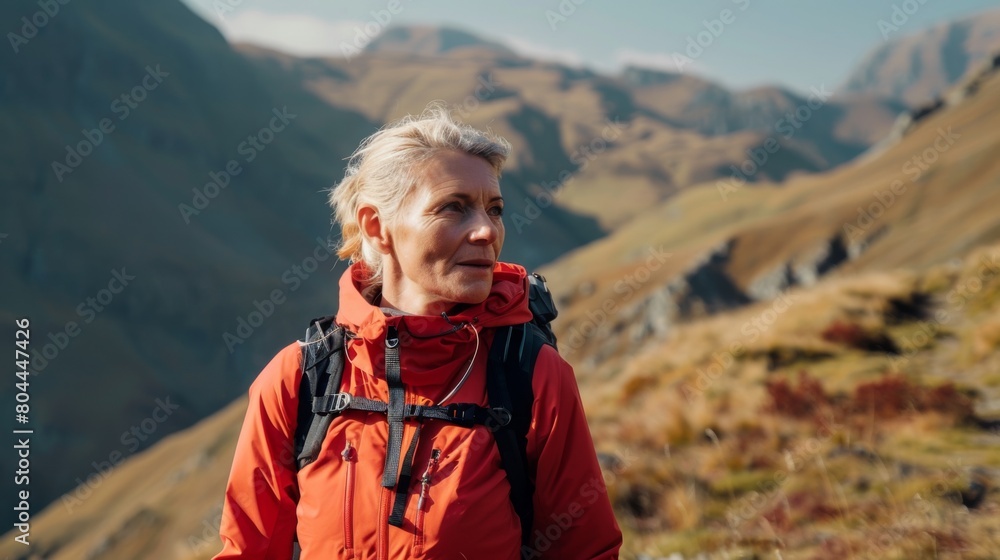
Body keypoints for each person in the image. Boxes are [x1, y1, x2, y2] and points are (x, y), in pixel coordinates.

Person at [214, 106, 623, 559]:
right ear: (377, 226)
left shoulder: (532, 374)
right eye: (454, 207)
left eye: (495, 209)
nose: (487, 230)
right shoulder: (299, 378)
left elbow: (585, 551)